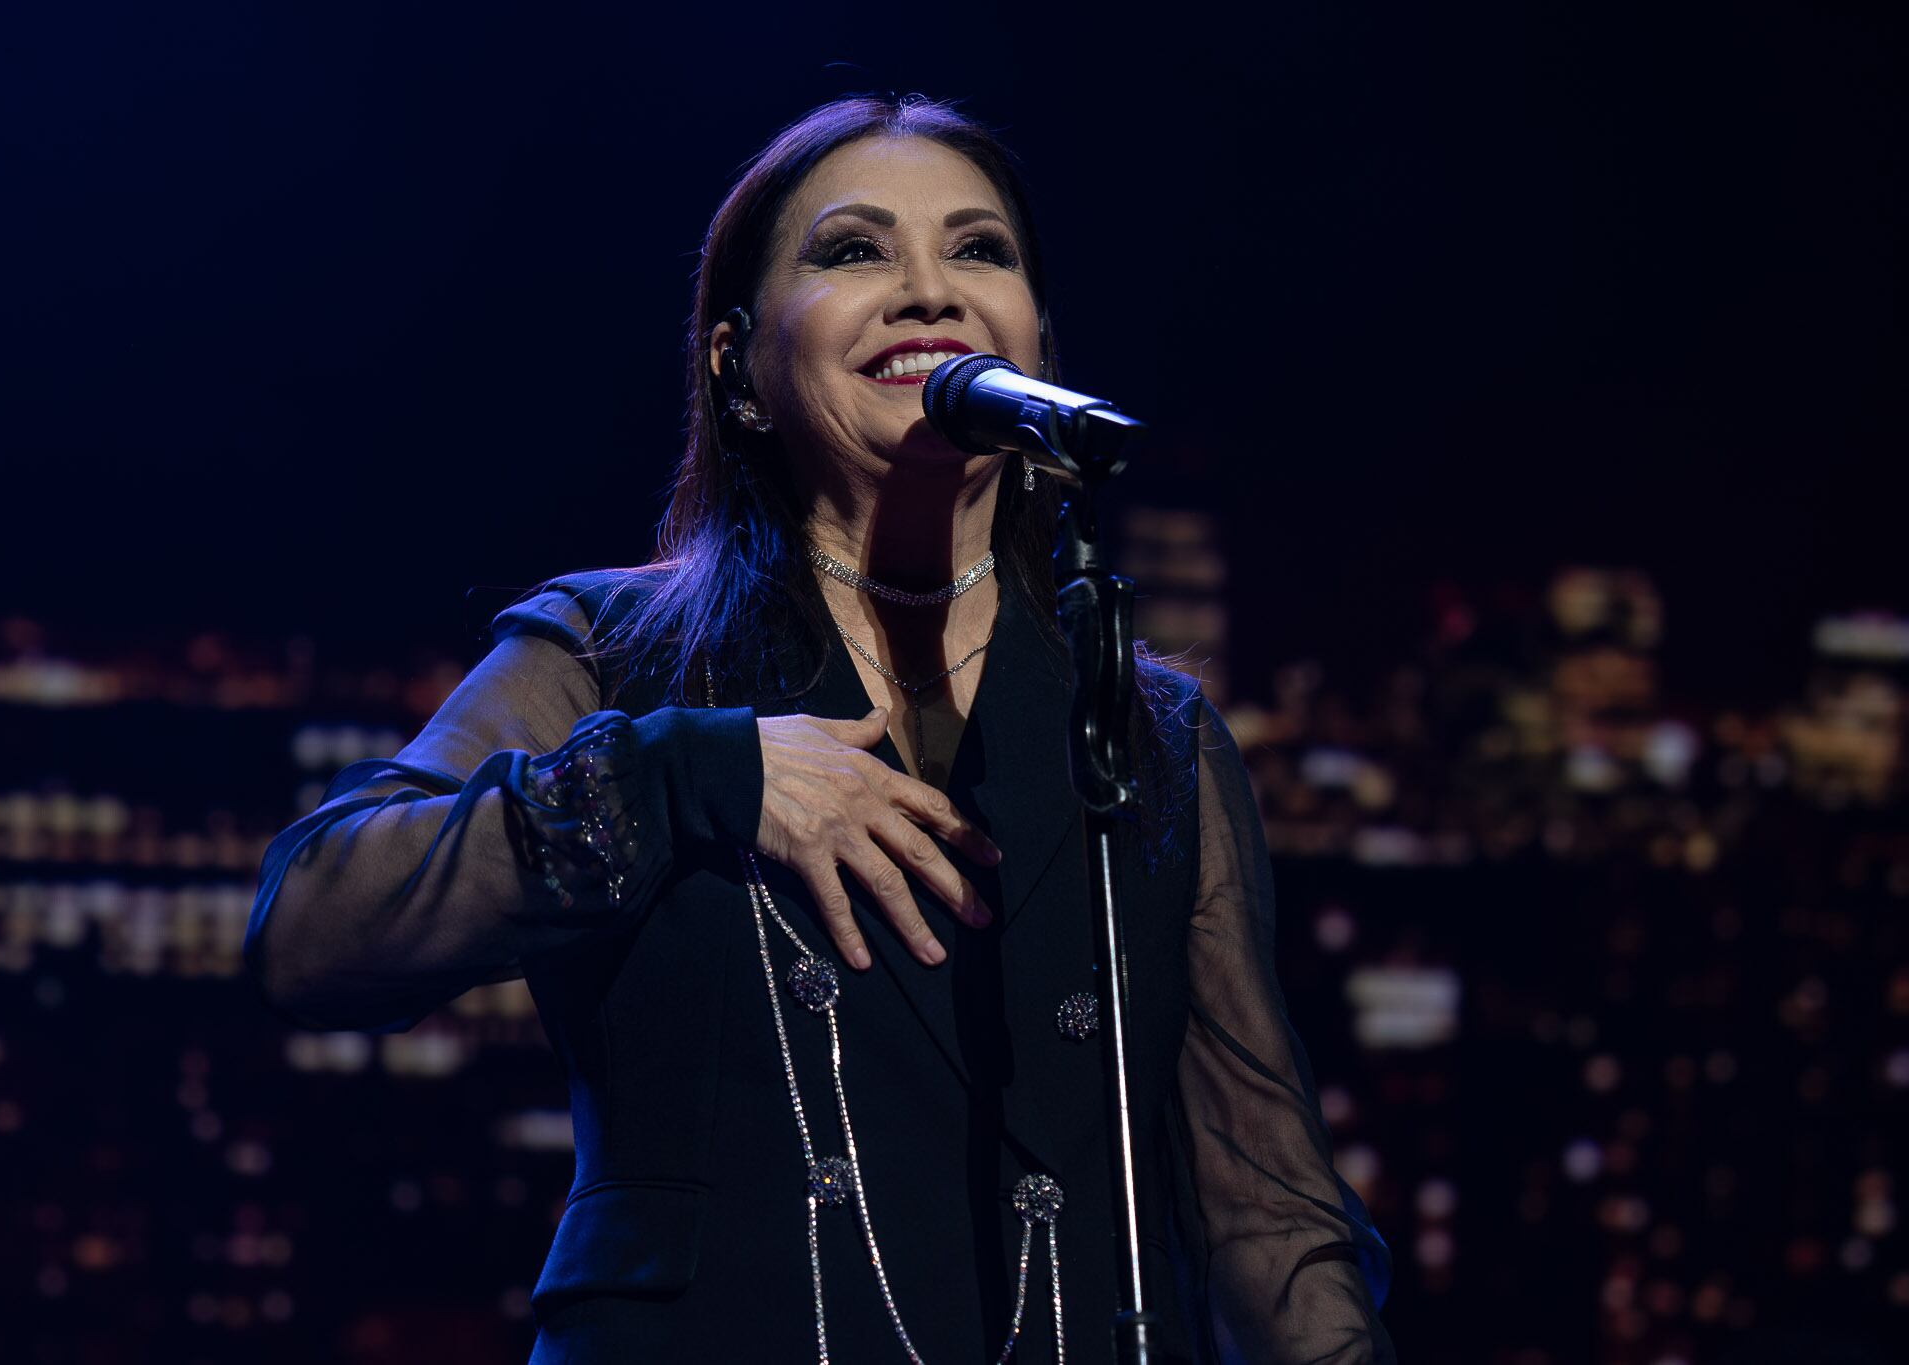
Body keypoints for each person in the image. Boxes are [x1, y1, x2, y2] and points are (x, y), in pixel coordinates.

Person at [244, 94, 1397, 1365]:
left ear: (1036, 353)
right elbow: (312, 930)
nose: (927, 293)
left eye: (978, 250)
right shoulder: (614, 655)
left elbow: (1264, 1209)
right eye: (853, 251)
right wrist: (695, 773)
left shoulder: (1145, 727)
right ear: (737, 368)